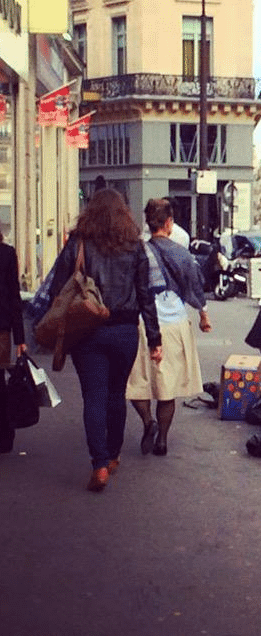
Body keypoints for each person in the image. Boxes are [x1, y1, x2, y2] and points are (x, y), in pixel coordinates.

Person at [34, 188, 160, 492]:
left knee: (93, 397)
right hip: (125, 331)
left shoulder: (78, 243)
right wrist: (155, 338)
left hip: (87, 330)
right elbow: (146, 295)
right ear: (123, 214)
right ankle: (114, 455)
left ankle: (99, 464)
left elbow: (57, 289)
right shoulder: (135, 246)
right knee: (117, 394)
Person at [128, 198, 210, 457]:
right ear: (169, 223)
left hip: (143, 323)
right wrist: (203, 315)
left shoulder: (139, 251)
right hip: (174, 324)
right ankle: (162, 438)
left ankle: (148, 422)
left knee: (136, 382)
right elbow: (195, 287)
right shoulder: (182, 252)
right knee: (167, 387)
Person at [0, 230, 26, 454]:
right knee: (0, 381)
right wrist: (20, 338)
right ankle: (4, 436)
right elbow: (13, 295)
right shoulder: (7, 254)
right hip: (1, 328)